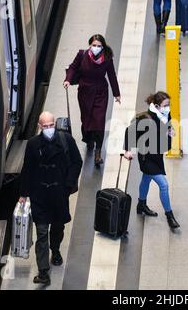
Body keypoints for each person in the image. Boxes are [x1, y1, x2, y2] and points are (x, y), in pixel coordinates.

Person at [19, 112, 83, 286]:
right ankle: (43, 272)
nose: (48, 129)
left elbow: (77, 162)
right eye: (45, 126)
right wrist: (23, 194)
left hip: (59, 194)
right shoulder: (32, 144)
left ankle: (55, 249)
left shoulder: (66, 140)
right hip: (39, 195)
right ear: (40, 127)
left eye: (51, 125)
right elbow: (27, 169)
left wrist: (68, 185)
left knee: (58, 227)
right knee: (41, 233)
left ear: (55, 124)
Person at [124, 92, 180, 230]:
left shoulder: (165, 115)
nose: (168, 107)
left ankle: (141, 205)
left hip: (157, 155)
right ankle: (169, 215)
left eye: (168, 105)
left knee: (146, 179)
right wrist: (127, 150)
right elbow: (129, 131)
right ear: (156, 106)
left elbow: (168, 126)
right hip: (146, 157)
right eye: (165, 105)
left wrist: (170, 131)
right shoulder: (145, 118)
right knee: (164, 185)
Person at [64, 34, 121, 167]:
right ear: (89, 45)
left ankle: (98, 152)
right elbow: (73, 67)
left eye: (99, 46)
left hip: (101, 92)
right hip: (84, 92)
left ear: (103, 47)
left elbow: (111, 75)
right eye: (94, 45)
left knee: (99, 121)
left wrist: (116, 93)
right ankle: (89, 139)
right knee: (86, 118)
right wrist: (67, 79)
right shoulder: (81, 55)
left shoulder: (106, 58)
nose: (96, 48)